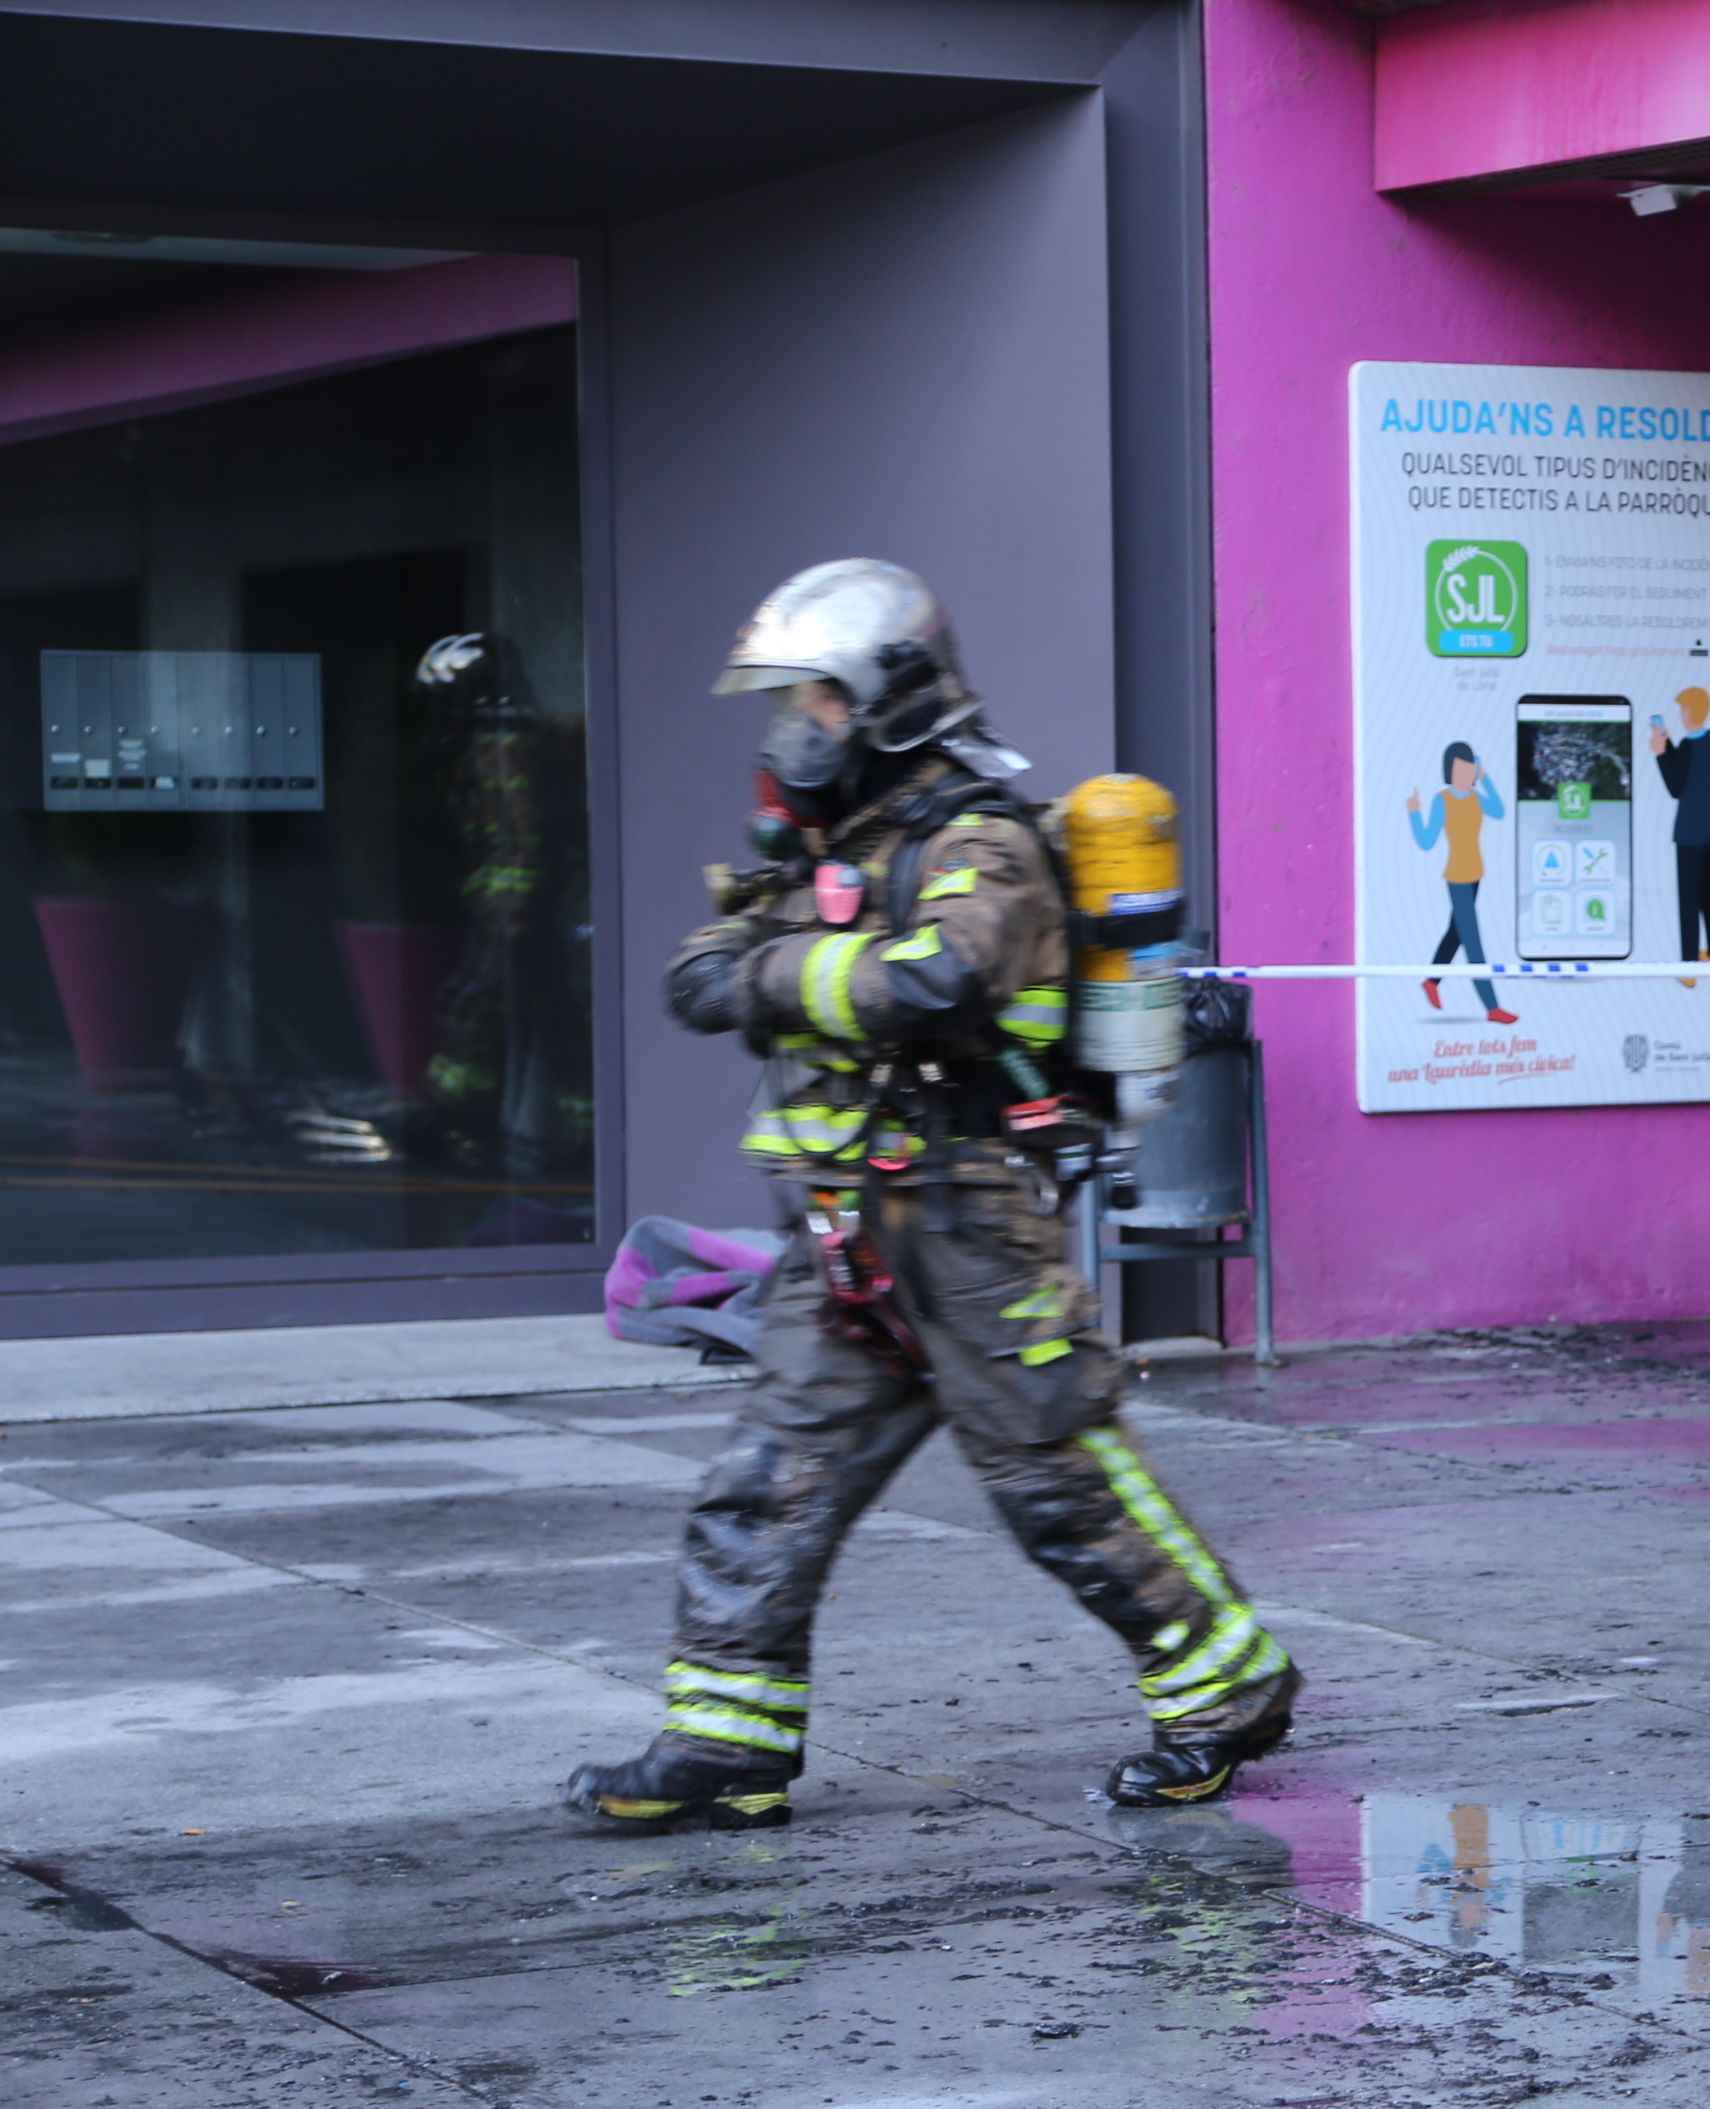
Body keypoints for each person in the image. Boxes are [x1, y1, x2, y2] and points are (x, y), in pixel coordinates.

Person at [565, 559, 1300, 1831]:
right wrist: (798, 959)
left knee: (1056, 1481)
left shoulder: (982, 838)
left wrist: (780, 965)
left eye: (819, 703)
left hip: (965, 1226)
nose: (796, 731)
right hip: (841, 1232)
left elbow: (935, 981)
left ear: (889, 698)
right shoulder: (835, 845)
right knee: (767, 1478)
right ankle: (724, 1740)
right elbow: (702, 972)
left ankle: (1229, 1687)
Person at [1409, 743, 1519, 1024]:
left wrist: (1485, 777)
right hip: (1457, 876)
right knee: (1472, 941)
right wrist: (1413, 812)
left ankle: (1432, 981)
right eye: (1462, 767)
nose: (1467, 772)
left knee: (1455, 933)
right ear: (1451, 769)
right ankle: (1493, 1007)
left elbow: (1499, 810)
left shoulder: (1475, 796)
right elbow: (1425, 840)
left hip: (1475, 875)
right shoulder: (1442, 800)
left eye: (1470, 767)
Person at [1650, 688, 1710, 964]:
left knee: (1689, 903)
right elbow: (1689, 771)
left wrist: (1660, 754)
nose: (1681, 715)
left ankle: (1689, 965)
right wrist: (1668, 745)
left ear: (1690, 712)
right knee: (1709, 895)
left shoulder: (1688, 747)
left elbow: (1676, 786)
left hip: (1689, 835)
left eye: (1683, 710)